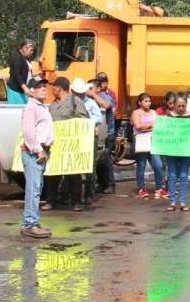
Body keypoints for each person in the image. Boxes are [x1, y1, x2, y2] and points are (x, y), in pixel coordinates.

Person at [19, 78, 53, 239]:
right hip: (34, 153)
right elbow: (28, 133)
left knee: (36, 188)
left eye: (44, 86)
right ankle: (29, 224)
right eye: (39, 87)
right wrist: (39, 151)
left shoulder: (40, 107)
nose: (44, 89)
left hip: (39, 152)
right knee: (33, 189)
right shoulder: (31, 108)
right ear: (32, 90)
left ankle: (32, 221)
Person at [48, 78, 88, 212]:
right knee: (53, 174)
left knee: (74, 174)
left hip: (72, 146)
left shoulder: (75, 102)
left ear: (59, 88)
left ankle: (76, 201)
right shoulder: (52, 105)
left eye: (53, 87)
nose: (51, 90)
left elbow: (84, 121)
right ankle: (51, 201)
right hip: (56, 146)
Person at [163, 94, 190, 212]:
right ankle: (172, 202)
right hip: (172, 150)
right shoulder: (168, 116)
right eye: (178, 106)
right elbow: (162, 130)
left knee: (183, 176)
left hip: (186, 150)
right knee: (172, 176)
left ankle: (182, 202)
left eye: (183, 106)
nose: (181, 108)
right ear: (174, 105)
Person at [131, 92, 164, 199]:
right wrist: (151, 125)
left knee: (158, 165)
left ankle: (159, 187)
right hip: (141, 141)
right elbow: (138, 126)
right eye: (146, 101)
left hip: (154, 141)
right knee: (141, 166)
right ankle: (141, 188)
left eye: (149, 101)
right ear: (140, 102)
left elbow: (160, 125)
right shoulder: (136, 112)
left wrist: (147, 127)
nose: (148, 103)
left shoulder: (154, 112)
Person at [92, 73, 118, 194]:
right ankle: (101, 183)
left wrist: (93, 95)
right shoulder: (91, 99)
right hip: (97, 133)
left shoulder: (104, 96)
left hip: (108, 132)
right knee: (98, 160)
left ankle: (110, 184)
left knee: (106, 158)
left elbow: (107, 105)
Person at [6, 39, 36, 105]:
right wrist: (25, 88)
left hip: (22, 91)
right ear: (24, 48)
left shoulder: (25, 57)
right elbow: (17, 74)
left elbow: (26, 72)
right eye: (31, 50)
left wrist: (35, 75)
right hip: (16, 92)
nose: (32, 52)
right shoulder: (17, 57)